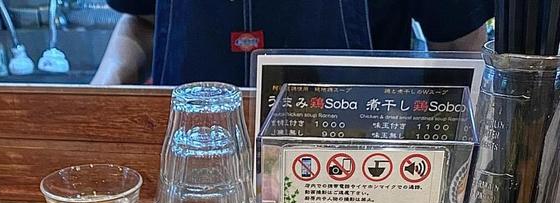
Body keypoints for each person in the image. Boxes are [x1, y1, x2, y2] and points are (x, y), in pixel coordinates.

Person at [92, 0, 492, 86]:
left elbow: (460, 49)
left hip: (352, 186)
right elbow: (142, 20)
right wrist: (102, 91)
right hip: (191, 193)